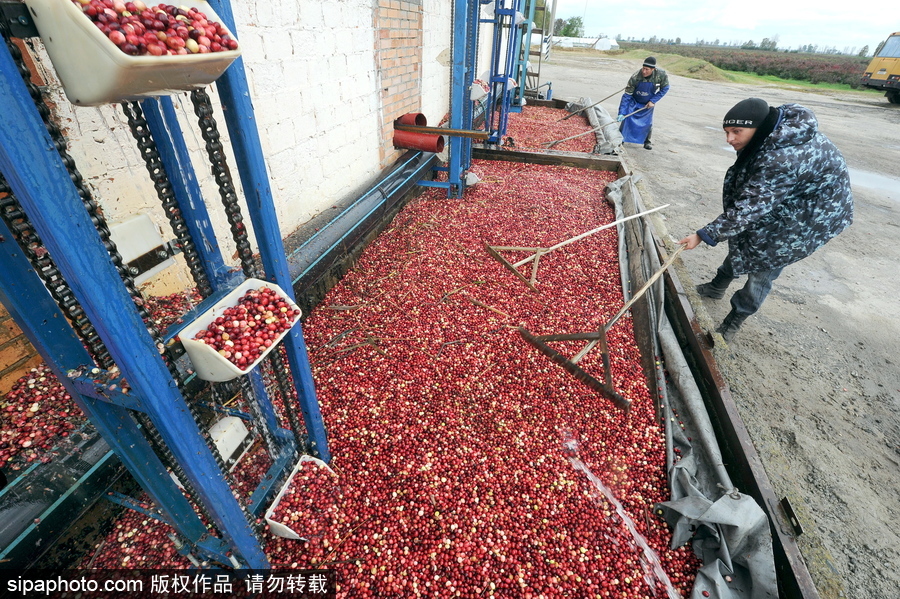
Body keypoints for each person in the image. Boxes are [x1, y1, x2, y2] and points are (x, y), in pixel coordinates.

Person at [677, 98, 853, 342]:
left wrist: (703, 234)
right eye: (727, 132)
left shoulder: (782, 157)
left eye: (737, 132)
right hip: (790, 198)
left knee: (765, 262)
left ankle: (734, 320)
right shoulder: (775, 131)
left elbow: (750, 208)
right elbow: (754, 202)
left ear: (758, 128)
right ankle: (717, 286)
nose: (729, 139)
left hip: (810, 216)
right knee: (745, 239)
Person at [617, 56, 669, 150]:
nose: (644, 71)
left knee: (647, 123)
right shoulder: (635, 77)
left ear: (653, 69)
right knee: (627, 119)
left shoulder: (661, 75)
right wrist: (621, 112)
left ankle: (647, 141)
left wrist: (653, 100)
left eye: (647, 69)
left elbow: (665, 88)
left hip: (648, 103)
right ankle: (621, 139)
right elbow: (627, 95)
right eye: (643, 68)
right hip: (634, 100)